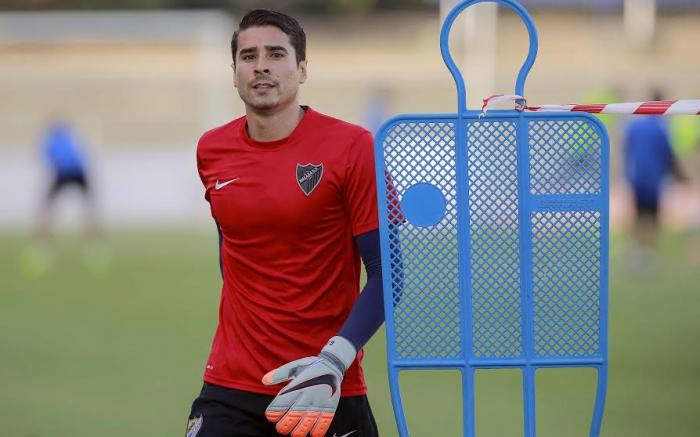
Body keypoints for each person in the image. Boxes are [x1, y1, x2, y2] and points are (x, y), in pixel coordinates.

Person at [187, 9, 393, 437]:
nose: (260, 65)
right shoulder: (212, 150)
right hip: (231, 384)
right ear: (234, 72)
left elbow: (388, 274)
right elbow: (232, 249)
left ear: (302, 69)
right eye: (248, 56)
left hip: (326, 385)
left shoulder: (354, 147)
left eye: (276, 54)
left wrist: (334, 360)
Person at [622, 90, 686, 265]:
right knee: (652, 216)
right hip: (653, 179)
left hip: (636, 176)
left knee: (638, 215)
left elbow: (626, 150)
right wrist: (681, 175)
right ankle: (649, 254)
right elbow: (668, 154)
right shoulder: (660, 127)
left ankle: (637, 253)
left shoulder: (634, 125)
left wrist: (627, 173)